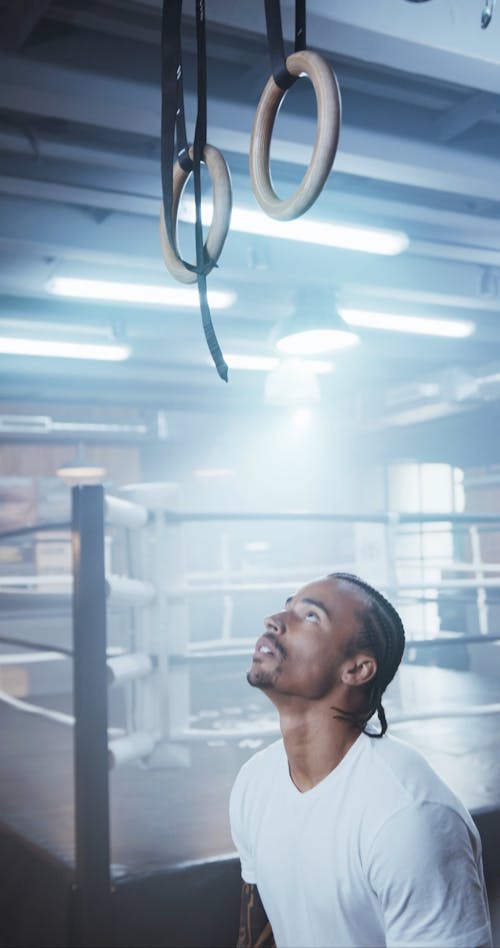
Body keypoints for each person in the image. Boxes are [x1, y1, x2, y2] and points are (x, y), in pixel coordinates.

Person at [230, 572, 492, 948]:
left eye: (310, 617)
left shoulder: (410, 817)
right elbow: (257, 937)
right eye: (287, 607)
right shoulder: (255, 781)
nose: (274, 620)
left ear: (356, 669)